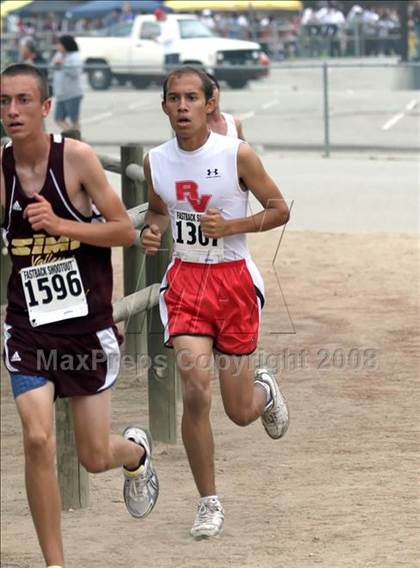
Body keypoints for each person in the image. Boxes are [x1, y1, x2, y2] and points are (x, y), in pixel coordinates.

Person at [0, 63, 159, 568]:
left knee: (93, 457)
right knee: (38, 437)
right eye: (4, 101)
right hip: (28, 328)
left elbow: (123, 231)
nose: (12, 111)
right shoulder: (0, 169)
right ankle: (55, 563)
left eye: (23, 100)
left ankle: (134, 453)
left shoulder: (77, 159)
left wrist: (63, 225)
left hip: (85, 327)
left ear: (47, 107)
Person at [139, 67, 290, 539]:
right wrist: (153, 232)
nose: (182, 107)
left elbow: (279, 208)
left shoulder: (235, 154)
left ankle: (263, 391)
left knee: (239, 411)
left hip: (233, 284)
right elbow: (161, 209)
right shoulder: (155, 160)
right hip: (185, 283)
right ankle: (209, 501)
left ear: (210, 104)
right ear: (163, 106)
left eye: (190, 98)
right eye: (173, 99)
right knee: (195, 389)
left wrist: (232, 227)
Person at [50, 35, 83, 132]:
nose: (57, 46)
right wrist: (56, 64)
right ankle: (74, 136)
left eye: (59, 44)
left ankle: (77, 139)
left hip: (73, 94)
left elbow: (76, 72)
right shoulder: (59, 54)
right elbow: (52, 66)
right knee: (58, 119)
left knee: (74, 119)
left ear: (66, 45)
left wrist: (63, 64)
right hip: (61, 94)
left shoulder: (75, 56)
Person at [205, 72, 245, 139]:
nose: (211, 93)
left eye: (213, 87)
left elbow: (244, 147)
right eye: (206, 89)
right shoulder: (195, 127)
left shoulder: (234, 123)